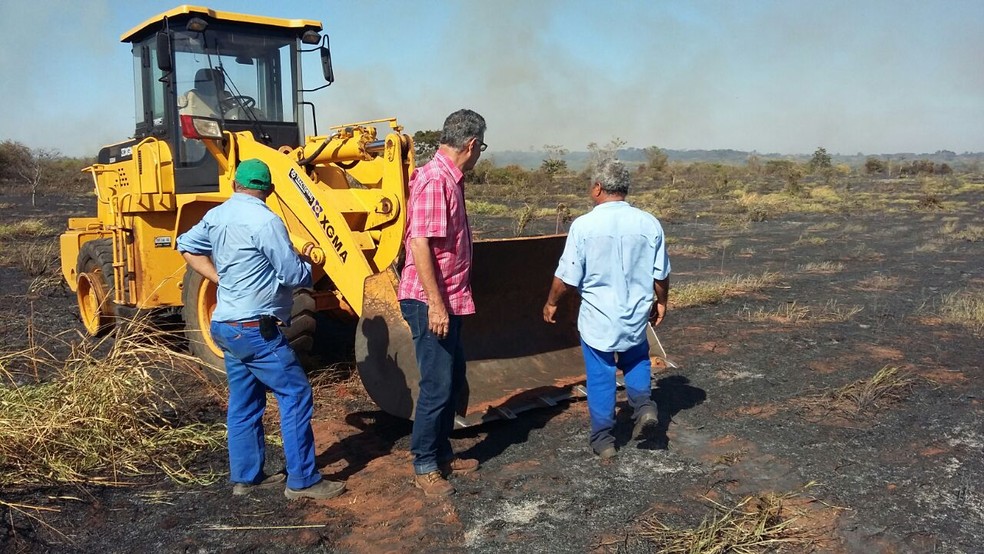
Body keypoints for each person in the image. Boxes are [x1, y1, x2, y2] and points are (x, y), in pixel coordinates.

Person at [176, 158, 345, 500]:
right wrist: (313, 258)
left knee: (244, 400)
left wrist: (217, 277)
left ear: (236, 184)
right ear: (269, 189)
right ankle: (303, 481)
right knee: (295, 395)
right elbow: (294, 276)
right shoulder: (267, 221)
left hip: (225, 325)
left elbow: (186, 246)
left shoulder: (217, 215)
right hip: (256, 329)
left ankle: (246, 478)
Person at [542, 157, 671, 459]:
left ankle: (604, 440)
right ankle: (644, 407)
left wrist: (551, 303)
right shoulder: (649, 223)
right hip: (635, 315)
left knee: (600, 373)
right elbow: (660, 273)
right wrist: (662, 301)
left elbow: (566, 277)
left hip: (598, 318)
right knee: (637, 358)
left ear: (597, 188)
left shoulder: (584, 226)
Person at [398, 109, 486, 496]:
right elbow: (419, 244)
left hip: (449, 298)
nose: (481, 151)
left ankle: (442, 451)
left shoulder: (449, 179)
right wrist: (436, 305)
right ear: (471, 145)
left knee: (451, 378)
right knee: (436, 384)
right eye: (481, 145)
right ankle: (424, 463)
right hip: (430, 301)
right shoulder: (436, 180)